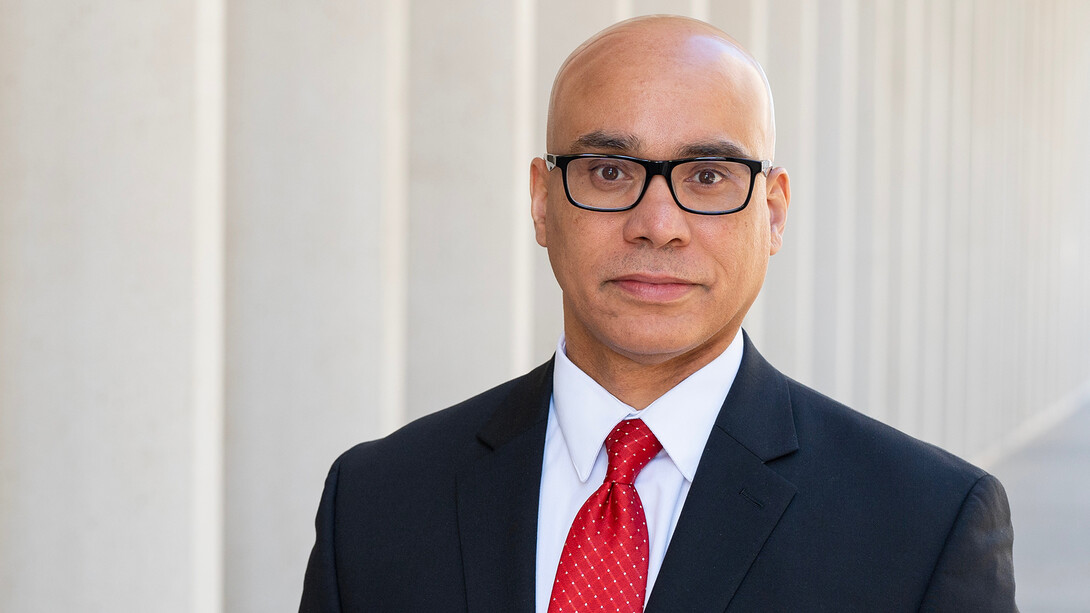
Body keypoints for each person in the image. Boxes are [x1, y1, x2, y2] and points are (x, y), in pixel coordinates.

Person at [300, 15, 1016, 613]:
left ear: (772, 213)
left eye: (708, 176)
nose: (658, 222)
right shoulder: (373, 503)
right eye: (609, 172)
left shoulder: (923, 527)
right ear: (543, 201)